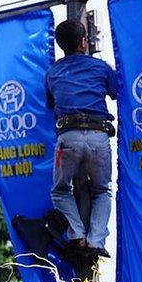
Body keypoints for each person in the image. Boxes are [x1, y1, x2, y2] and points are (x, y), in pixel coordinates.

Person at [46, 19, 117, 261]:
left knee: (61, 191)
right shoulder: (99, 67)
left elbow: (50, 103)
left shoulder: (53, 72)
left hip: (68, 138)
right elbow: (117, 91)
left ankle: (76, 235)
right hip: (99, 136)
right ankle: (95, 241)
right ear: (84, 42)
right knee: (102, 190)